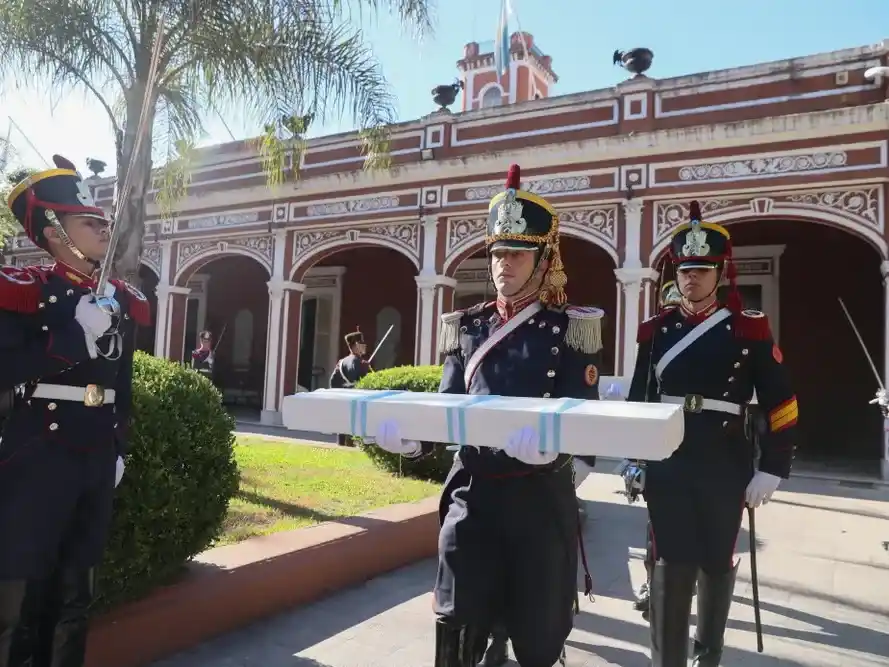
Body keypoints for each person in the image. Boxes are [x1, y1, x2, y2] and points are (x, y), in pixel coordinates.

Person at [373, 163, 604, 667]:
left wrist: (558, 452)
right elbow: (449, 406)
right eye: (498, 253)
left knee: (538, 637)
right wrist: (416, 442)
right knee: (455, 621)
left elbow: (584, 418)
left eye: (517, 254)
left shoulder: (570, 329)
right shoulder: (467, 327)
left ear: (544, 261)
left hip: (538, 498)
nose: (504, 264)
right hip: (474, 493)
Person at [626, 200, 797, 667]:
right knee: (670, 562)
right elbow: (638, 402)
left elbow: (782, 403)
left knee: (718, 560)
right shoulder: (655, 331)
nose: (692, 278)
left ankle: (710, 652)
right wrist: (633, 459)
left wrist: (772, 469)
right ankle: (668, 660)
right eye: (684, 269)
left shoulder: (748, 328)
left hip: (725, 462)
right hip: (668, 462)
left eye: (702, 269)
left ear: (721, 273)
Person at [0, 155, 151, 667]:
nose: (104, 229)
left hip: (94, 453)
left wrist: (117, 448)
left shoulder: (120, 299)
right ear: (54, 231)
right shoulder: (28, 291)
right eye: (91, 222)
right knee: (21, 593)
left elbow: (122, 386)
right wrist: (74, 335)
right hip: (38, 450)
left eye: (105, 222)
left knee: (75, 596)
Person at [634, 278, 684, 620]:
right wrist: (633, 455)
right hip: (658, 443)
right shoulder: (655, 339)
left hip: (704, 446)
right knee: (656, 524)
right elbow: (641, 393)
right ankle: (654, 583)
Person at [329, 329, 372, 446]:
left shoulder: (342, 362)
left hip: (342, 398)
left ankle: (342, 443)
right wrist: (364, 369)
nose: (365, 346)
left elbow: (333, 381)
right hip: (355, 401)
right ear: (357, 345)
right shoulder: (356, 361)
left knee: (342, 426)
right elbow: (356, 378)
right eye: (362, 344)